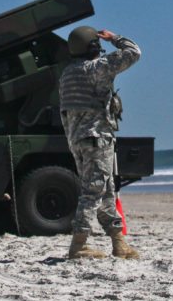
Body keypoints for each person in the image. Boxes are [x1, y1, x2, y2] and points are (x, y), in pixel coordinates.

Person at [59, 25, 141, 260]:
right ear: (93, 46)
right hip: (97, 138)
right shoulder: (97, 68)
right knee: (93, 192)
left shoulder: (67, 74)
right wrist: (114, 38)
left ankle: (118, 242)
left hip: (77, 140)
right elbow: (134, 52)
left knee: (106, 190)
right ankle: (79, 244)